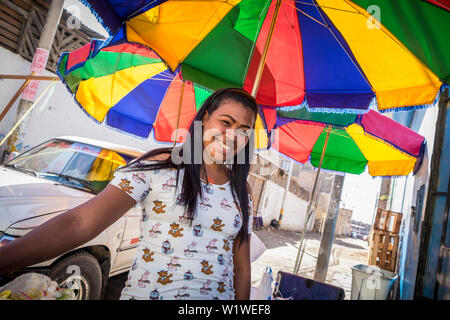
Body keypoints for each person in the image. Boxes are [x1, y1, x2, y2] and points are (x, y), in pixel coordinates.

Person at [0, 88, 258, 300]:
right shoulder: (162, 165)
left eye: (244, 130)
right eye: (226, 122)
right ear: (205, 120)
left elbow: (242, 268)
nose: (233, 135)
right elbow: (81, 222)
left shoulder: (241, 191)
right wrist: (6, 259)